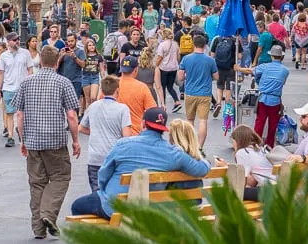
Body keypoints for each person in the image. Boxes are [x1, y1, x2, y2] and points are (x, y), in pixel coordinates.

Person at [70, 107, 210, 220]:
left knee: (77, 206)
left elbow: (104, 173)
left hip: (114, 205)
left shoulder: (123, 144)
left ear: (143, 124)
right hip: (148, 207)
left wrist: (103, 191)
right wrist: (205, 160)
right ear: (163, 128)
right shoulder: (174, 153)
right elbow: (202, 169)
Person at [13, 45, 80, 239]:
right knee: (60, 178)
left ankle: (38, 229)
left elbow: (19, 114)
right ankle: (48, 214)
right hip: (55, 140)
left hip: (33, 140)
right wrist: (75, 140)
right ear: (57, 61)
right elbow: (71, 115)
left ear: (40, 61)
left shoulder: (27, 82)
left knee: (37, 183)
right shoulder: (63, 82)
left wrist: (22, 139)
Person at [78, 76, 131, 193]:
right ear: (117, 90)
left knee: (97, 194)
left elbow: (81, 128)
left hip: (95, 158)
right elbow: (126, 136)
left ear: (102, 91)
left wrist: (94, 131)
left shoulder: (93, 106)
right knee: (114, 194)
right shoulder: (123, 109)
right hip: (113, 157)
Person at [235, 45, 289, 147]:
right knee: (273, 125)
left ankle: (255, 144)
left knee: (260, 122)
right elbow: (283, 82)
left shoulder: (265, 66)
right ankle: (269, 146)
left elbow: (249, 71)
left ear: (272, 56)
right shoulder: (285, 70)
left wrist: (238, 68)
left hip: (263, 98)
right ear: (281, 57)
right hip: (276, 100)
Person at [178, 34, 218, 151]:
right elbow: (216, 76)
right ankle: (199, 147)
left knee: (190, 120)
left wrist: (188, 75)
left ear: (193, 44)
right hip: (205, 94)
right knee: (203, 121)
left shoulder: (186, 59)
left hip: (190, 93)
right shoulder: (210, 60)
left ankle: (189, 146)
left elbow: (180, 77)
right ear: (205, 45)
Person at [214, 124, 274, 201]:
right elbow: (252, 182)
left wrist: (226, 168)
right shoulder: (261, 149)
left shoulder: (242, 153)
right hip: (280, 188)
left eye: (233, 142)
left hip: (269, 191)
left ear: (238, 141)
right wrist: (228, 165)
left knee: (231, 192)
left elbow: (241, 182)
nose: (233, 145)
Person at [0, 32, 32, 147]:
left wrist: (29, 84)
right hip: (8, 87)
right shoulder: (4, 56)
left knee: (22, 113)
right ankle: (11, 136)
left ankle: (22, 133)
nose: (17, 41)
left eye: (18, 39)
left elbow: (30, 70)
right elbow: (0, 73)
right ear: (9, 42)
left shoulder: (25, 53)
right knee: (10, 112)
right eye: (14, 40)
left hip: (22, 87)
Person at [210, 33, 241, 118]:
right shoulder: (235, 40)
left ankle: (219, 103)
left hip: (219, 67)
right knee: (228, 87)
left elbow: (212, 55)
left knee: (219, 86)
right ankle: (227, 108)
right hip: (231, 67)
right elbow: (239, 56)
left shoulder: (217, 39)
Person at [155, 28, 181, 112]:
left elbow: (160, 57)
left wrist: (156, 65)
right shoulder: (175, 44)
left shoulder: (162, 45)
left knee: (162, 87)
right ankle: (177, 101)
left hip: (164, 68)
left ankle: (163, 104)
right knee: (170, 87)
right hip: (173, 68)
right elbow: (178, 57)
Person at [81, 38, 105, 116]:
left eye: (93, 45)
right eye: (89, 45)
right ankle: (88, 116)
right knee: (87, 99)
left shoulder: (99, 56)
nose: (92, 47)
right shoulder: (84, 56)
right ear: (86, 47)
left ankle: (94, 114)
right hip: (85, 76)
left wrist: (103, 79)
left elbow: (101, 69)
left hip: (95, 76)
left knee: (93, 97)